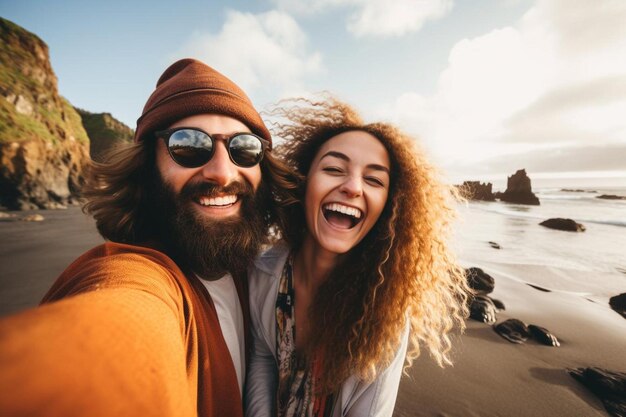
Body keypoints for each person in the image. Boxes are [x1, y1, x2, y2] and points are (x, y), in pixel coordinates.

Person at [0, 58, 294, 417]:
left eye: (243, 148)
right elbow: (113, 333)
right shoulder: (142, 280)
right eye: (189, 145)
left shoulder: (253, 272)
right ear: (146, 169)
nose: (222, 172)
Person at [245, 97, 471, 417]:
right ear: (304, 181)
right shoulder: (262, 272)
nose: (352, 187)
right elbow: (264, 357)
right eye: (334, 169)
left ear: (388, 207)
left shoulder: (384, 308)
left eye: (374, 179)